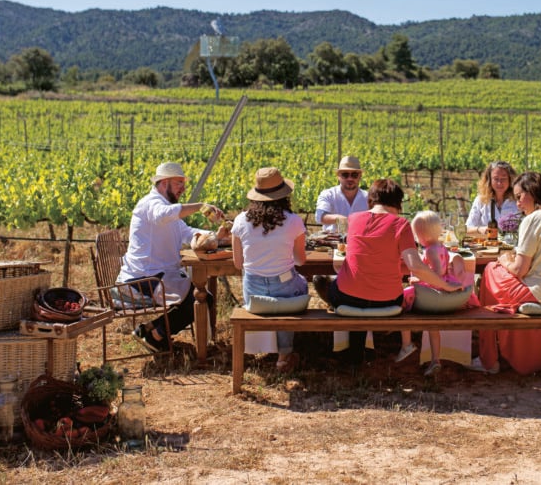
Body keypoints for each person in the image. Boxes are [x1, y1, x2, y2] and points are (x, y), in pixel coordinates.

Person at [312, 179, 461, 364]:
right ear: (398, 202)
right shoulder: (401, 225)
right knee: (368, 288)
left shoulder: (354, 219)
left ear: (371, 200)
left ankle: (353, 354)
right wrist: (445, 285)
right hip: (388, 301)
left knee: (329, 282)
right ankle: (361, 353)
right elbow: (414, 266)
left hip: (347, 298)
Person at [469, 171, 541, 374]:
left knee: (490, 271)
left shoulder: (533, 219)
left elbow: (520, 270)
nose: (518, 203)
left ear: (532, 193)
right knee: (498, 273)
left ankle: (490, 359)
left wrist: (504, 261)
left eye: (520, 196)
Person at [118, 162, 227, 354]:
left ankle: (151, 330)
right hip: (142, 280)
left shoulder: (166, 207)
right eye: (178, 183)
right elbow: (164, 215)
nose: (183, 188)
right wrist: (201, 206)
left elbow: (187, 233)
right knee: (200, 299)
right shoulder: (151, 204)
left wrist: (217, 236)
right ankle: (156, 336)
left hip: (156, 276)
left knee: (201, 297)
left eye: (184, 183)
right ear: (163, 182)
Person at [231, 167, 308, 372]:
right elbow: (300, 260)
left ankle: (262, 348)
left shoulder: (240, 220)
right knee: (299, 287)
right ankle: (284, 355)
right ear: (283, 194)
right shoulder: (293, 221)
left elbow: (238, 264)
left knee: (278, 293)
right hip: (284, 287)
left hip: (253, 292)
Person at [397, 211, 478, 376]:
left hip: (434, 291)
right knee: (433, 326)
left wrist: (417, 280)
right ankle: (435, 359)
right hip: (440, 294)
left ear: (422, 235)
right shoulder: (441, 246)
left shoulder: (429, 250)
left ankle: (407, 343)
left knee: (401, 300)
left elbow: (437, 273)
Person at [466, 161, 520, 235]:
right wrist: (479, 229)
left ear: (510, 179)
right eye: (496, 178)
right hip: (488, 245)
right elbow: (468, 228)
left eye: (503, 179)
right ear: (489, 180)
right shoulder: (481, 200)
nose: (499, 183)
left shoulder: (518, 200)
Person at [315, 155, 368, 228]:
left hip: (360, 239)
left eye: (354, 175)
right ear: (338, 176)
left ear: (360, 176)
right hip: (333, 239)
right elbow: (320, 216)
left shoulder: (368, 198)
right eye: (345, 175)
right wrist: (339, 218)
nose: (350, 178)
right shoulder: (328, 195)